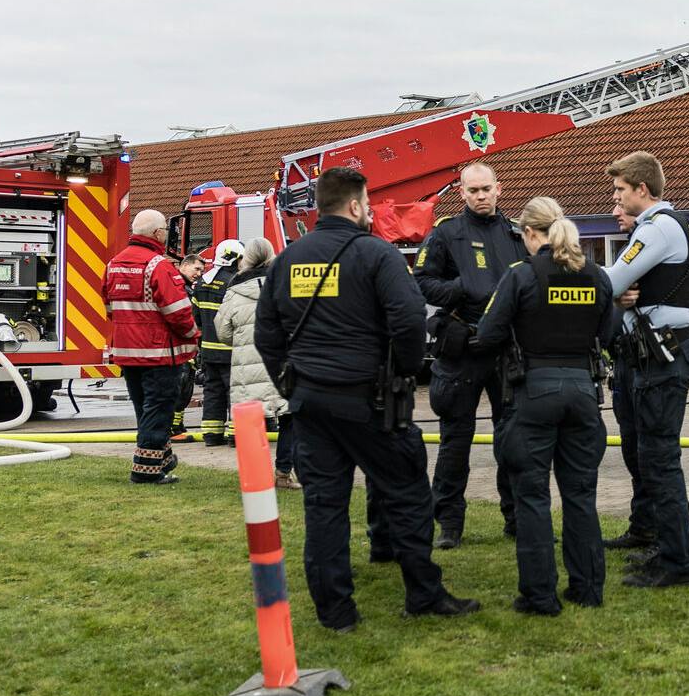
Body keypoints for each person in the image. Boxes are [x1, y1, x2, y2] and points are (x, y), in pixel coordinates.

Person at [255, 166, 479, 631]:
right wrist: (402, 375)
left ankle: (335, 613)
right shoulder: (376, 254)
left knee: (324, 505)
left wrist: (290, 384)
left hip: (312, 403)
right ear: (357, 205)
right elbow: (408, 319)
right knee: (408, 493)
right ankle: (423, 593)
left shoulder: (288, 259)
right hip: (372, 400)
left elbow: (267, 334)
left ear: (320, 204)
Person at [474, 197, 614, 614]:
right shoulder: (597, 275)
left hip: (532, 394)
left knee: (531, 496)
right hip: (584, 395)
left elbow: (489, 331)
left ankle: (539, 596)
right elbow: (607, 333)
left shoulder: (521, 275)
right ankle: (588, 587)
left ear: (531, 234)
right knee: (580, 494)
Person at [603, 150, 689, 588]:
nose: (617, 200)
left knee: (660, 459)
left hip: (665, 353)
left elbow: (610, 281)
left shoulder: (659, 228)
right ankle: (658, 542)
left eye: (621, 191)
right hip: (655, 350)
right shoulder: (660, 226)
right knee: (646, 453)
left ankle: (677, 561)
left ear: (642, 190)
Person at [413, 162, 528, 548]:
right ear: (462, 192)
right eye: (473, 190)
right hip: (462, 347)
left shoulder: (516, 233)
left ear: (499, 189)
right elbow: (423, 282)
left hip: (503, 350)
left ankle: (516, 519)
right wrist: (462, 288)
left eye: (486, 189)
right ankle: (449, 524)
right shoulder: (446, 234)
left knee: (512, 438)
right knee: (454, 441)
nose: (480, 196)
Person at [102, 210, 199, 485]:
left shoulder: (113, 264)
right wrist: (193, 334)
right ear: (157, 233)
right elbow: (178, 312)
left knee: (144, 408)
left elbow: (110, 307)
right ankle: (145, 470)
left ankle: (164, 458)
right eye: (165, 231)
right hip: (158, 354)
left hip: (127, 353)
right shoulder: (159, 266)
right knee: (159, 409)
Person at [214, 238, 298, 489]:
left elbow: (223, 332)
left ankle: (255, 476)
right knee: (289, 419)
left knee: (251, 422)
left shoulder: (234, 290)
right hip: (282, 363)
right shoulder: (286, 284)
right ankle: (284, 472)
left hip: (246, 365)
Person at [192, 238, 245, 446]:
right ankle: (236, 435)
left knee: (212, 391)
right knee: (235, 391)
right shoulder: (235, 281)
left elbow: (195, 317)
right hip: (230, 348)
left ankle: (212, 435)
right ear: (234, 259)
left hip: (208, 350)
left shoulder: (203, 282)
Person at [170, 254, 204, 442]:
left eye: (201, 270)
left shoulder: (187, 288)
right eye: (196, 269)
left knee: (185, 389)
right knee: (179, 387)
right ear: (184, 266)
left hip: (186, 348)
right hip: (178, 348)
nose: (199, 274)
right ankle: (172, 429)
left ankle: (176, 426)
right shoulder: (178, 287)